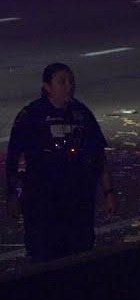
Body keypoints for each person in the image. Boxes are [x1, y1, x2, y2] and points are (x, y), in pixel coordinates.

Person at [4, 63, 117, 263]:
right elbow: (15, 159)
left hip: (77, 199)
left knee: (80, 252)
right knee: (45, 255)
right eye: (62, 82)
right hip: (43, 201)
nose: (69, 86)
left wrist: (109, 192)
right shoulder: (32, 115)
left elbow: (99, 155)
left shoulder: (81, 113)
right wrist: (13, 195)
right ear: (47, 87)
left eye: (71, 81)